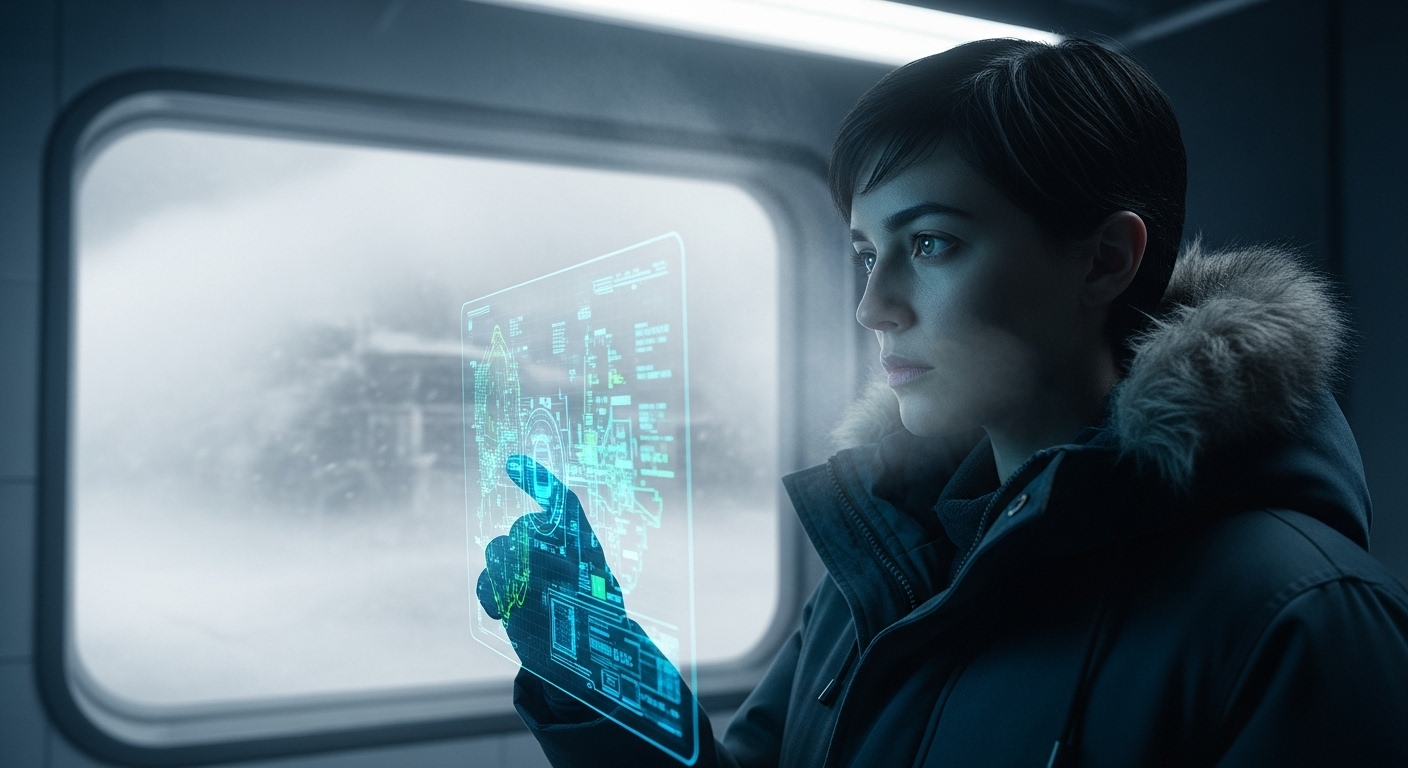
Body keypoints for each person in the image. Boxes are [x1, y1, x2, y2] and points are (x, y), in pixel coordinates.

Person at [481, 38, 1408, 766]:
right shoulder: (888, 572)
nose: (871, 305)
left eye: (930, 244)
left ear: (1104, 259)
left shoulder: (1302, 619)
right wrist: (595, 662)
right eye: (863, 251)